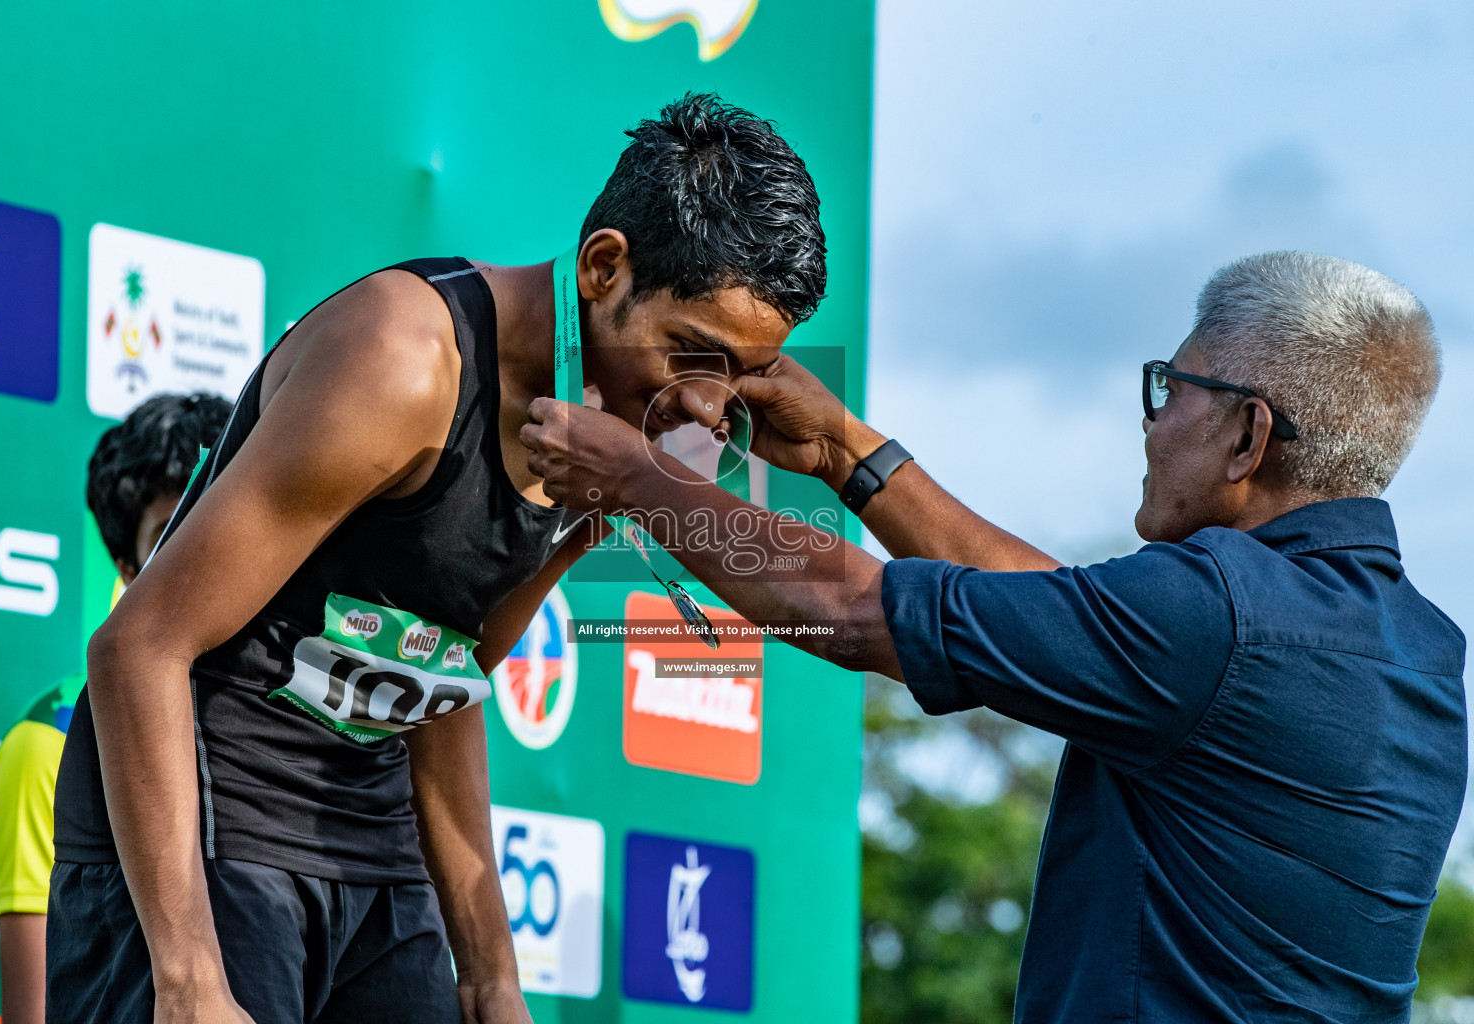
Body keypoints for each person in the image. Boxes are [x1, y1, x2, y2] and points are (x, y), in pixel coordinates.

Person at [521, 250, 1468, 1022]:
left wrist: (643, 483)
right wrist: (848, 453)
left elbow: (859, 615)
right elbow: (1062, 614)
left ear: (1247, 436)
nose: (1149, 423)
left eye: (1169, 389)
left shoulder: (1212, 620)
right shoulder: (1420, 652)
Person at [48, 93, 827, 1024]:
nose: (706, 408)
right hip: (204, 831)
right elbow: (136, 648)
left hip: (370, 845)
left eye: (735, 379)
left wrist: (494, 975)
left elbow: (442, 676)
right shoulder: (404, 360)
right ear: (603, 267)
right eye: (691, 355)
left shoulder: (611, 440)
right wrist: (186, 982)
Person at [0, 392, 231, 1024]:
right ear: (127, 565)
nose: (201, 557)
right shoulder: (48, 740)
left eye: (217, 526)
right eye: (170, 537)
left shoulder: (302, 721)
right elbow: (36, 1010)